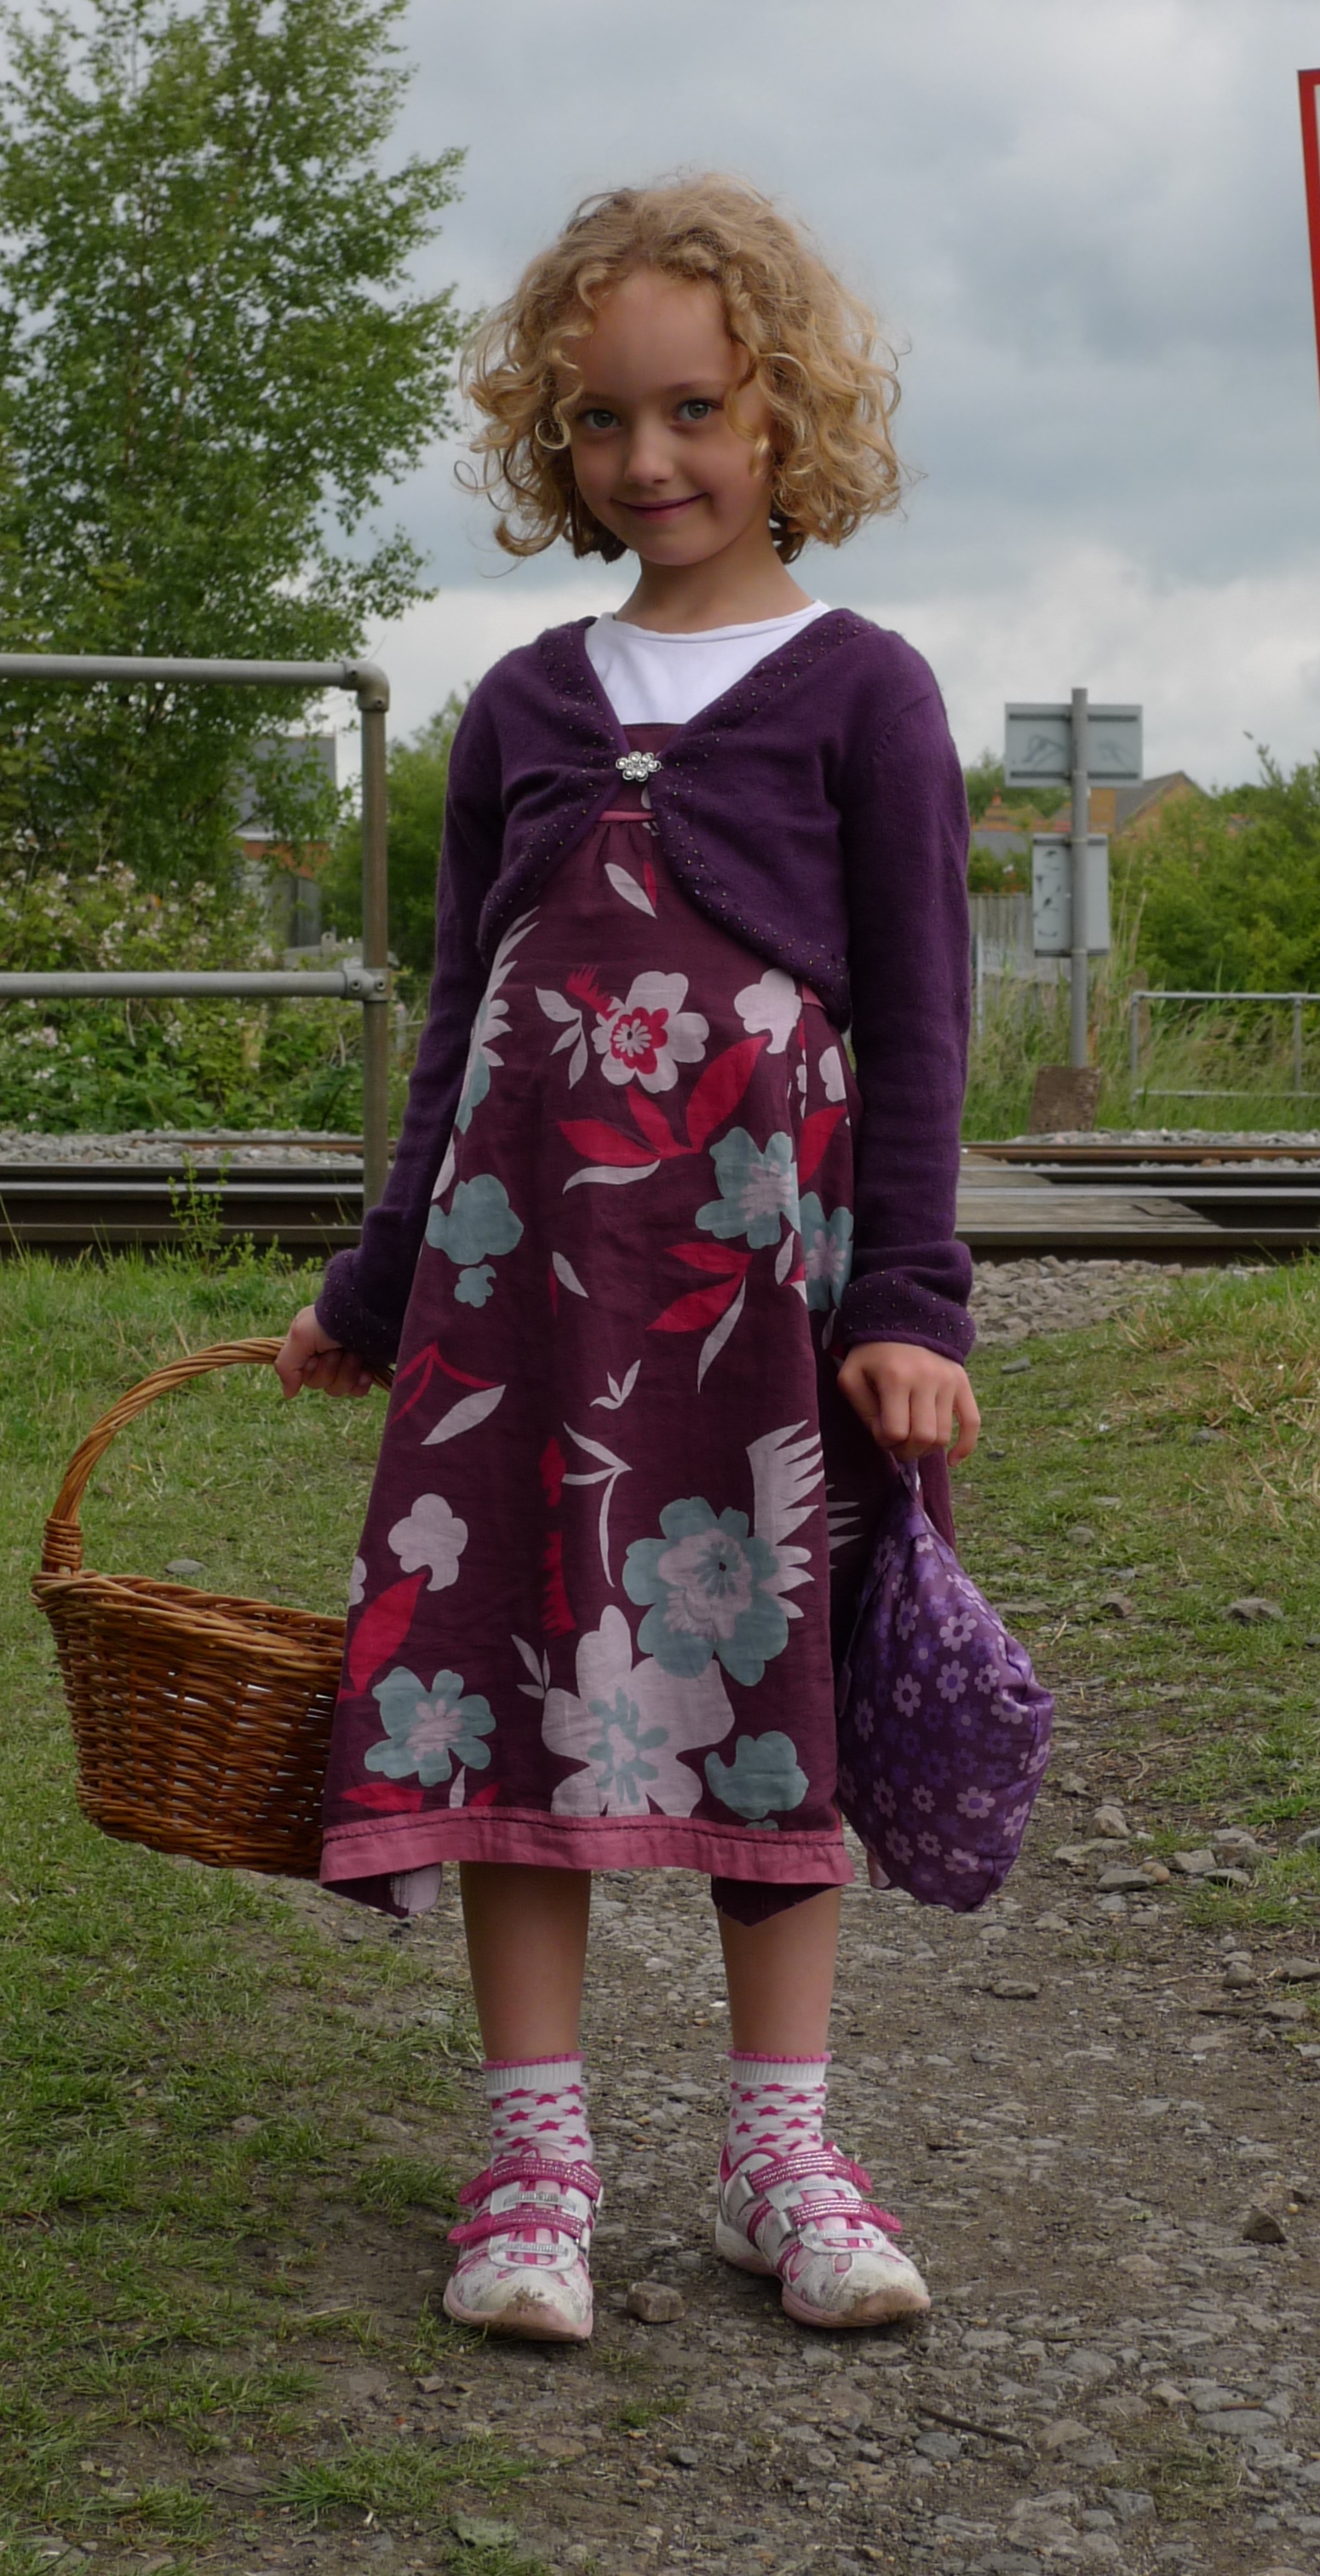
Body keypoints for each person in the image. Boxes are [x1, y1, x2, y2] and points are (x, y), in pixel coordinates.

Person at [275, 175, 979, 2345]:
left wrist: (911, 1303)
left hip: (767, 1312)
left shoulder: (865, 692)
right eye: (599, 420)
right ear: (549, 438)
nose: (648, 458)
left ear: (787, 414)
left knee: (775, 1696)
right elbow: (456, 1032)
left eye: (694, 410)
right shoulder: (518, 704)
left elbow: (923, 1021)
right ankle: (533, 2161)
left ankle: (783, 2157)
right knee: (510, 1675)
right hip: (520, 1303)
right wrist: (376, 1284)